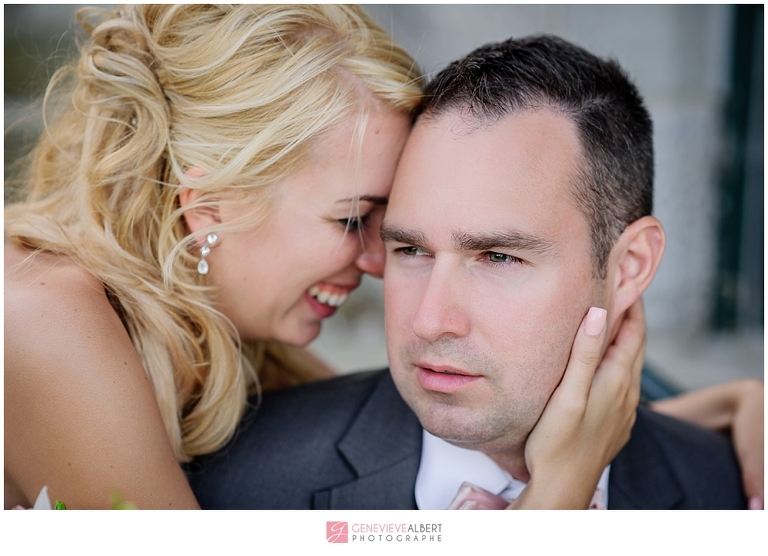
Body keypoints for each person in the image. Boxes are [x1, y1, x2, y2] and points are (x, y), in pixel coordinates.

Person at [4, 6, 761, 510]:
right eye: (357, 221)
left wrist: (721, 414)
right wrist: (557, 498)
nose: (376, 265)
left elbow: (474, 428)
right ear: (211, 205)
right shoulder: (44, 319)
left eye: (496, 254)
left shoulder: (219, 347)